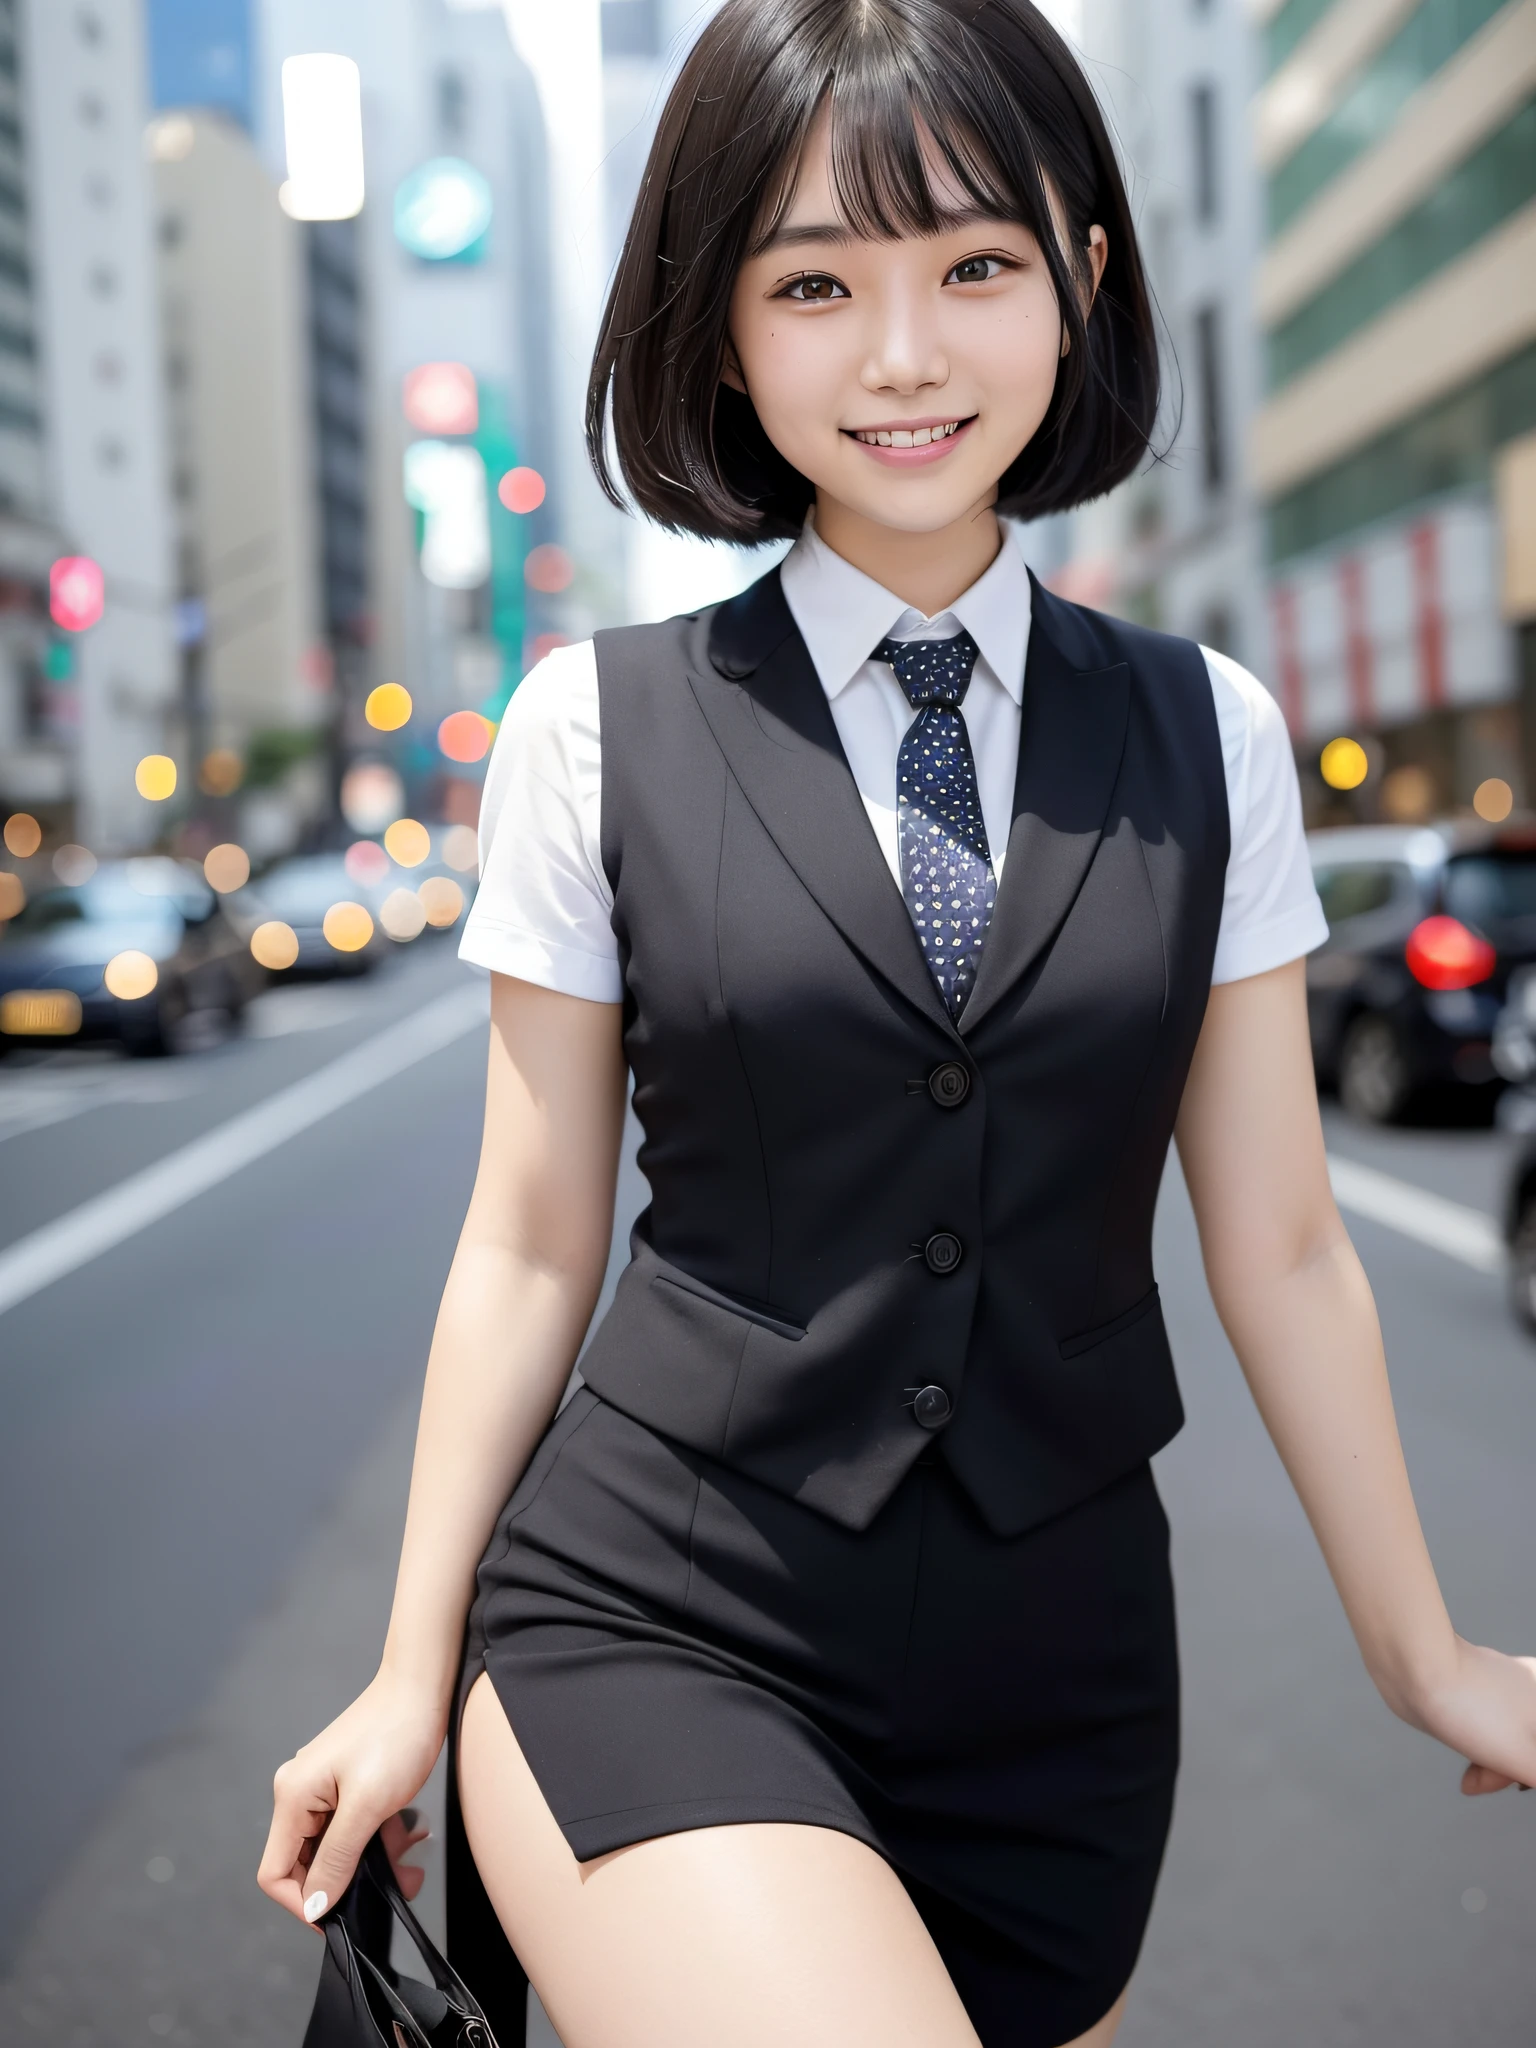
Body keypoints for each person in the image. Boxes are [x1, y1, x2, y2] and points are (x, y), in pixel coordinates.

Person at [259, 4, 1536, 2043]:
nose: (906, 353)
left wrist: (1425, 1651)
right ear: (725, 326)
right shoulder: (595, 731)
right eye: (817, 284)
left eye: (974, 267)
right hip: (669, 1611)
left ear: (1081, 281)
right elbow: (526, 1237)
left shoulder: (1213, 738)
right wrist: (413, 1667)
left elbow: (1285, 1240)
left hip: (1065, 1678)